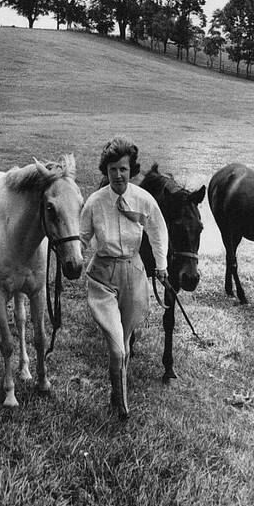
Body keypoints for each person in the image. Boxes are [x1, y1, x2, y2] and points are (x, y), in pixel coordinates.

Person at [80, 137, 168, 420]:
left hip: (134, 275)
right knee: (117, 346)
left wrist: (162, 264)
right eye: (113, 169)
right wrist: (69, 258)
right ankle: (122, 407)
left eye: (123, 169)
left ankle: (116, 392)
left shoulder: (144, 200)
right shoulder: (94, 203)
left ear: (132, 171)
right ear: (105, 171)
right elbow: (80, 239)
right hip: (102, 278)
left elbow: (158, 232)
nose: (118, 175)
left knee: (126, 343)